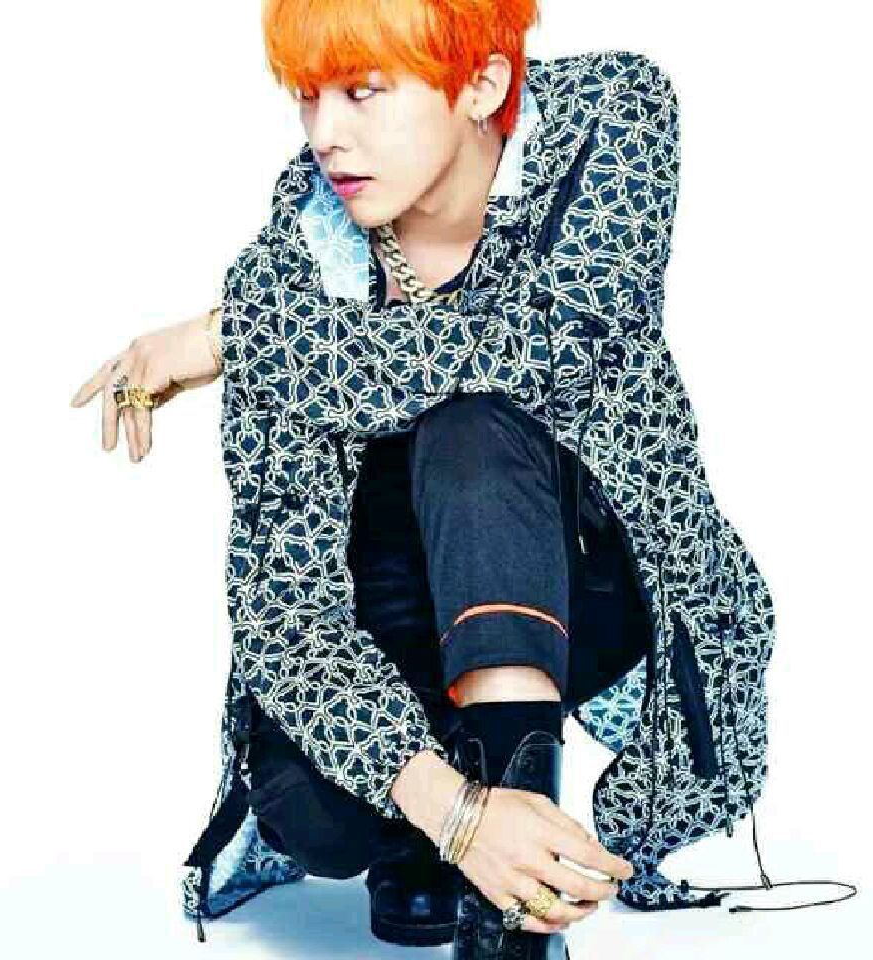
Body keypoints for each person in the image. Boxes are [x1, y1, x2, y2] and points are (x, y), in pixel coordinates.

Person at [70, 0, 778, 956]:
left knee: (472, 431)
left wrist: (231, 337)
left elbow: (567, 341)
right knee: (316, 810)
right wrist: (454, 813)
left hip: (581, 590)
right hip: (387, 631)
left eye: (363, 92)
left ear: (481, 83)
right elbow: (283, 608)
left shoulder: (607, 119)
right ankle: (446, 836)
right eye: (309, 96)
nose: (326, 133)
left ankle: (513, 922)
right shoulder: (292, 268)